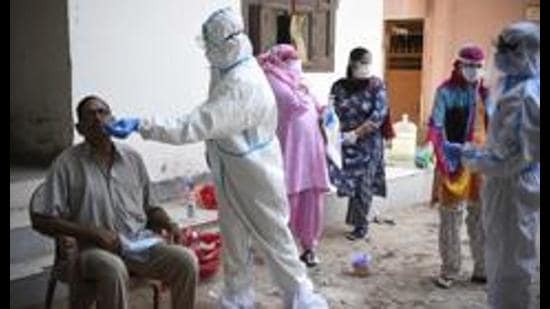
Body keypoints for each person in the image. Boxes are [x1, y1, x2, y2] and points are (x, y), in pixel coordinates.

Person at [105, 7, 328, 308]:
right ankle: (238, 297)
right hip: (231, 170)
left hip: (257, 176)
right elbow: (211, 115)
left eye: (211, 46)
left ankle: (300, 297)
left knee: (275, 240)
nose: (208, 53)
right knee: (234, 239)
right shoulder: (229, 68)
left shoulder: (243, 84)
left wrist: (142, 124)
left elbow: (195, 124)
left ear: (227, 44)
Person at [30, 96, 198, 309]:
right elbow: (41, 220)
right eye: (90, 115)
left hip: (138, 244)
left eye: (103, 112)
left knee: (186, 260)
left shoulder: (132, 158)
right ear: (79, 128)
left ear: (114, 119)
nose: (98, 118)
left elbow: (151, 208)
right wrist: (94, 233)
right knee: (113, 267)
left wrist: (169, 223)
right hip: (92, 251)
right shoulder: (66, 163)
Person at [459, 22, 540, 308]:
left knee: (510, 264)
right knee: (503, 257)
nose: (500, 56)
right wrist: (479, 152)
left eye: (508, 49)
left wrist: (470, 157)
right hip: (509, 186)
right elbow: (505, 145)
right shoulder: (514, 86)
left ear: (526, 52)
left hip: (512, 188)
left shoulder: (525, 97)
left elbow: (511, 160)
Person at [258, 44, 330, 267]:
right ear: (279, 60)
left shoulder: (296, 79)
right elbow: (291, 104)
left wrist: (325, 111)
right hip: (290, 151)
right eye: (291, 59)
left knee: (312, 201)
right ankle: (283, 252)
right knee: (288, 201)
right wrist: (302, 90)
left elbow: (315, 106)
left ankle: (309, 247)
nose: (296, 62)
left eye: (298, 58)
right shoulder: (271, 80)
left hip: (311, 152)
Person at [427, 44, 489, 289]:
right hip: (454, 159)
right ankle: (450, 269)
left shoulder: (486, 93)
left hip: (483, 162)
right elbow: (436, 125)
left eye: (477, 67)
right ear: (459, 65)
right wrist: (445, 152)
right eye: (469, 66)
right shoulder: (446, 92)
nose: (473, 71)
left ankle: (482, 268)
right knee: (451, 216)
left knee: (481, 215)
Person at [327, 47, 388, 241]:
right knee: (351, 183)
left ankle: (361, 226)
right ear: (352, 63)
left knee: (364, 184)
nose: (365, 66)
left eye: (368, 62)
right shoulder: (339, 86)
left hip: (369, 143)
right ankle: (355, 222)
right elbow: (330, 112)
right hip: (346, 143)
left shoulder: (376, 85)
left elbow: (379, 114)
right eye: (362, 62)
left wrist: (357, 133)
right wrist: (335, 134)